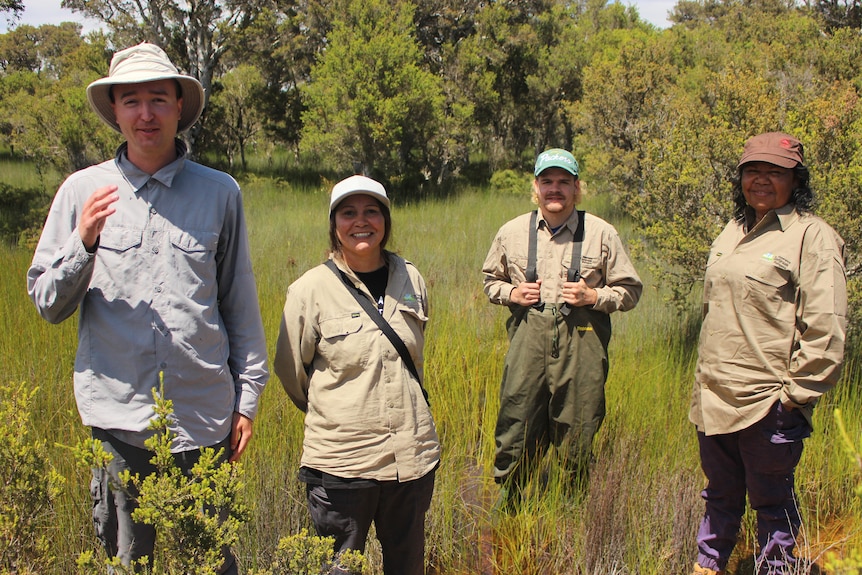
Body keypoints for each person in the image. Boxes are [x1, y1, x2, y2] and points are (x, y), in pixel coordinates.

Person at [26, 42, 269, 573]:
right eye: (131, 100)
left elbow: (239, 303)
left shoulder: (220, 193)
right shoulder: (81, 192)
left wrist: (246, 400)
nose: (145, 114)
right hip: (119, 425)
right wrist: (83, 243)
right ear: (114, 109)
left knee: (210, 560)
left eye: (158, 99)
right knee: (129, 562)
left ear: (180, 105)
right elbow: (46, 302)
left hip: (204, 420)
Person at [690, 132, 847, 575]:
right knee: (719, 492)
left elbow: (827, 324)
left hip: (767, 400)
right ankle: (710, 564)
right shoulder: (732, 230)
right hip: (713, 395)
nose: (761, 180)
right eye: (753, 170)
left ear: (795, 180)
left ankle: (776, 567)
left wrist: (795, 395)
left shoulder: (811, 236)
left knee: (772, 499)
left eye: (775, 172)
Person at [273, 175, 440, 575]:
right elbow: (291, 373)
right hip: (341, 466)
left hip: (411, 460)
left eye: (371, 212)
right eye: (348, 213)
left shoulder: (411, 278)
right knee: (339, 569)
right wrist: (340, 412)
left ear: (385, 220)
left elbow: (412, 357)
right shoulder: (308, 290)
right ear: (334, 224)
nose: (360, 222)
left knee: (407, 565)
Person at [482, 148, 642, 508]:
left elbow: (630, 291)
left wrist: (594, 296)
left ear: (576, 188)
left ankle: (570, 501)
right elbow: (490, 281)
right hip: (528, 336)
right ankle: (510, 497)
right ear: (536, 187)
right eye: (547, 181)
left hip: (582, 339)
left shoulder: (602, 232)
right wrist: (512, 292)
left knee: (578, 422)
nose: (555, 189)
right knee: (517, 416)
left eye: (564, 182)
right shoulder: (512, 232)